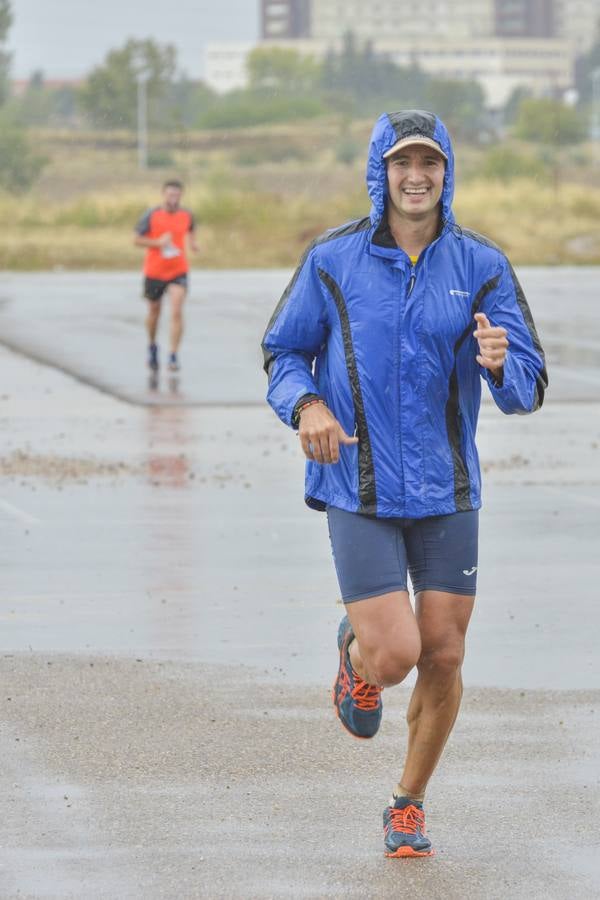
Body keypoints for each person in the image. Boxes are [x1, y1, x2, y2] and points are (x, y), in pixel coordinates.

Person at [261, 110, 547, 858]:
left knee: (443, 653)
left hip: (448, 490)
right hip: (357, 483)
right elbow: (282, 353)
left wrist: (500, 365)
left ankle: (408, 805)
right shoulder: (333, 259)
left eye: (429, 164)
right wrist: (307, 404)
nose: (415, 177)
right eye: (401, 164)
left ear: (446, 171)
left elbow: (528, 384)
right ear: (379, 172)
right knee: (395, 656)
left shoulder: (481, 264)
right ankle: (358, 658)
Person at [134, 179, 198, 373]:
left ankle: (173, 355)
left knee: (177, 311)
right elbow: (136, 239)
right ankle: (152, 345)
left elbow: (191, 229)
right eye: (170, 194)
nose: (174, 198)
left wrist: (193, 243)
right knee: (154, 311)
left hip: (178, 270)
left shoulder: (186, 215)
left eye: (177, 194)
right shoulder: (152, 215)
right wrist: (158, 243)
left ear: (181, 195)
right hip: (155, 271)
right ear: (163, 194)